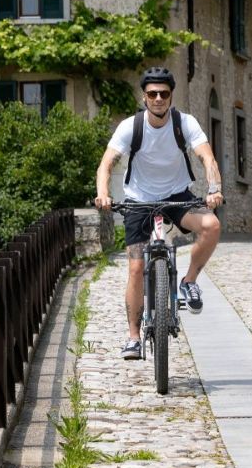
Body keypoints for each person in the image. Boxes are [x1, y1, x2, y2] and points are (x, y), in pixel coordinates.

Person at [95, 66, 224, 360]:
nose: (158, 99)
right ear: (144, 97)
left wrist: (214, 188)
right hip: (139, 200)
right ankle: (132, 337)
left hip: (177, 195)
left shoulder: (184, 123)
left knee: (211, 226)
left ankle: (189, 281)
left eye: (163, 94)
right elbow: (106, 164)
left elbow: (206, 156)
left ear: (171, 97)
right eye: (152, 93)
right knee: (136, 268)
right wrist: (104, 194)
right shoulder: (131, 126)